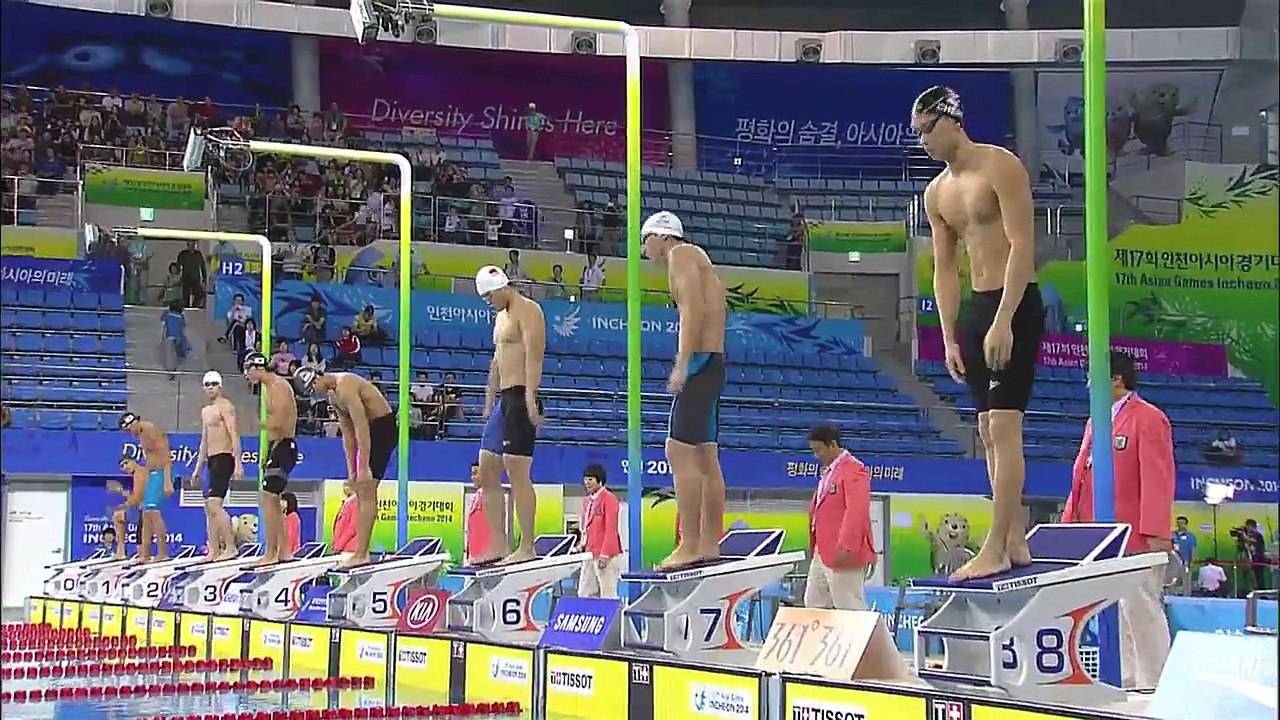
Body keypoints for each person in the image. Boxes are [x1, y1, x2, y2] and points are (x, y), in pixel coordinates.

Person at [915, 86, 1046, 581]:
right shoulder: (936, 194)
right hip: (975, 309)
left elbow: (1021, 246)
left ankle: (994, 545)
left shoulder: (1001, 166)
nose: (924, 140)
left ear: (953, 120)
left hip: (1013, 302)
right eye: (919, 133)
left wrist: (1005, 318)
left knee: (1005, 427)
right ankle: (1013, 539)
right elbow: (944, 271)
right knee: (987, 433)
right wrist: (949, 336)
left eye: (929, 128)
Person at [1063, 351, 1175, 689]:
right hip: (1102, 537)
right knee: (1115, 612)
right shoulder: (1095, 422)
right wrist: (1070, 528)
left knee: (1141, 609)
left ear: (1116, 379)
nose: (1086, 383)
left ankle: (1155, 681)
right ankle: (1127, 679)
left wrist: (1155, 531)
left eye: (1092, 375)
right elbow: (1081, 479)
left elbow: (1158, 478)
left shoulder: (1149, 418)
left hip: (1137, 537)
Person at [640, 211, 728, 571]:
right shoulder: (700, 260)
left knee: (678, 451)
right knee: (706, 457)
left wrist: (682, 363)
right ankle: (708, 542)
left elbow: (691, 312)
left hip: (701, 362)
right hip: (714, 360)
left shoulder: (681, 256)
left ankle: (690, 543)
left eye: (645, 240)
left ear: (661, 237)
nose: (644, 249)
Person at [474, 265, 546, 565]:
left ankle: (526, 546)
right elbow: (496, 361)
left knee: (517, 471)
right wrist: (488, 401)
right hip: (504, 399)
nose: (489, 301)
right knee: (487, 467)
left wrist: (531, 399)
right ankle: (498, 545)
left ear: (503, 287)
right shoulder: (500, 317)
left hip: (521, 395)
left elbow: (534, 356)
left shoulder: (528, 311)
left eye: (491, 295)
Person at [294, 367, 397, 568]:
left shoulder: (346, 386)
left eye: (313, 388)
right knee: (359, 491)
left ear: (317, 377)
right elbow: (348, 436)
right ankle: (360, 551)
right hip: (369, 431)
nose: (316, 393)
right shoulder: (333, 396)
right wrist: (352, 470)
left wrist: (364, 466)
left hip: (382, 428)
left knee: (367, 490)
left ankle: (362, 552)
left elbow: (362, 430)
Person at [804, 425, 876, 610]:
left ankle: (869, 640)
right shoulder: (829, 472)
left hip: (843, 551)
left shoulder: (854, 470)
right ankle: (820, 640)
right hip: (822, 551)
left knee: (849, 606)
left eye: (818, 450)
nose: (816, 456)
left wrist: (846, 546)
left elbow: (856, 510)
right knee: (814, 603)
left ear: (833, 445)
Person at [242, 352, 299, 566]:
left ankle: (270, 553)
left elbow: (280, 424)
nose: (246, 376)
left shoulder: (278, 386)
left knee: (267, 499)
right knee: (273, 501)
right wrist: (266, 450)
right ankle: (283, 552)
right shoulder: (268, 388)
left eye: (248, 371)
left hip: (285, 446)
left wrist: (258, 424)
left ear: (257, 368)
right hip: (278, 447)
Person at [190, 371, 242, 561]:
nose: (210, 387)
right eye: (207, 384)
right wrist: (197, 468)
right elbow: (204, 441)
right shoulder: (205, 411)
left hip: (224, 457)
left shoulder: (226, 407)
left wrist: (238, 463)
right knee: (208, 507)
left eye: (214, 384)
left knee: (214, 505)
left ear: (220, 386)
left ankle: (230, 547)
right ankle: (213, 550)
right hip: (211, 460)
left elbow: (234, 434)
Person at [578, 464, 623, 599]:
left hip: (606, 555)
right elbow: (586, 527)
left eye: (590, 479)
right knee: (585, 593)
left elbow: (611, 529)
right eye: (585, 479)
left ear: (600, 480)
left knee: (607, 594)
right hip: (589, 554)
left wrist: (605, 555)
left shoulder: (609, 499)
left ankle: (613, 620)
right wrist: (582, 544)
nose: (587, 483)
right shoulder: (587, 501)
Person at [117, 454, 171, 563]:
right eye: (122, 466)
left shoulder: (140, 473)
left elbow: (138, 496)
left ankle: (158, 554)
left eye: (126, 463)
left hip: (153, 500)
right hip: (151, 500)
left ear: (134, 461)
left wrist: (126, 504)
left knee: (150, 523)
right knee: (145, 527)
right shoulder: (140, 473)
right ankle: (145, 554)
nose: (125, 467)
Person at [465, 462, 493, 564]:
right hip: (476, 556)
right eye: (472, 474)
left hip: (484, 557)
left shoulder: (487, 495)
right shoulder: (479, 495)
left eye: (475, 473)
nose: (472, 477)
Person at [1172, 515, 1198, 595]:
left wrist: (1192, 561)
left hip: (1185, 562)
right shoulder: (1173, 535)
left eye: (1182, 523)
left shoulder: (1191, 536)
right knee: (1172, 582)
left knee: (1186, 581)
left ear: (1186, 524)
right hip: (1173, 563)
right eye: (1178, 523)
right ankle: (1171, 596)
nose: (1180, 525)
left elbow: (1193, 549)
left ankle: (1187, 597)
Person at [331, 481, 358, 554]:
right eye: (344, 486)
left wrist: (339, 545)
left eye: (346, 485)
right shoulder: (347, 503)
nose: (344, 488)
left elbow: (352, 528)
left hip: (350, 548)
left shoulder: (356, 503)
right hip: (343, 548)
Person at [281, 492, 302, 557]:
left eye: (283, 501)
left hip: (290, 554)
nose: (280, 502)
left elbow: (290, 537)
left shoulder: (292, 517)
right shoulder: (285, 517)